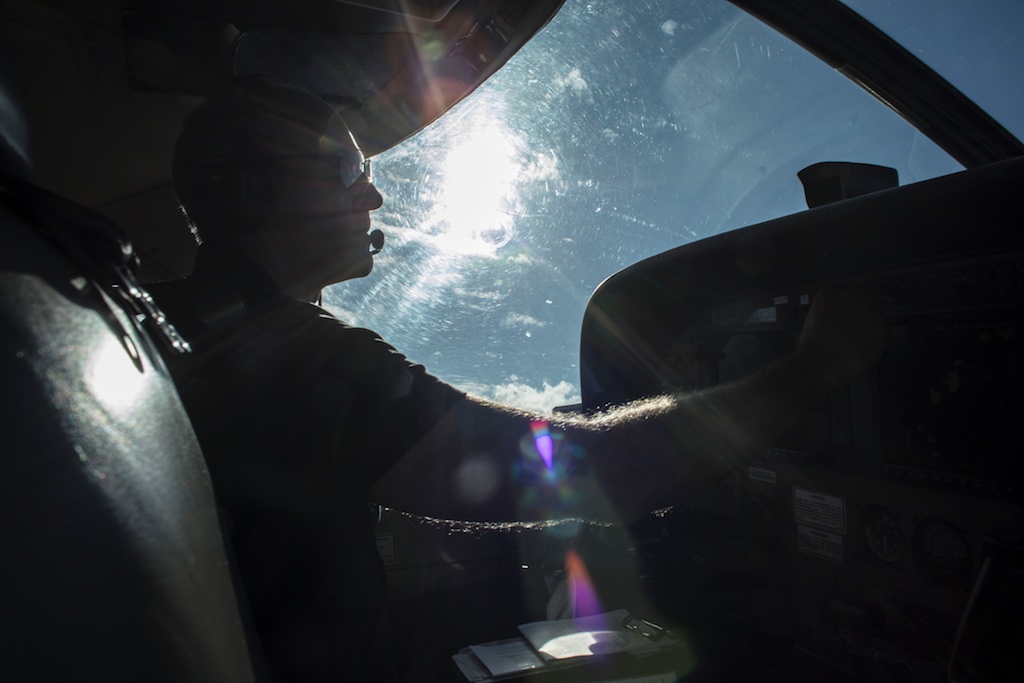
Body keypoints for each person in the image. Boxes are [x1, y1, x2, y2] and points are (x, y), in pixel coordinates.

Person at [152, 77, 887, 682]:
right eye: (346, 173)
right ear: (249, 189)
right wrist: (815, 369)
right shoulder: (287, 355)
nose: (373, 200)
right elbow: (598, 475)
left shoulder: (195, 324)